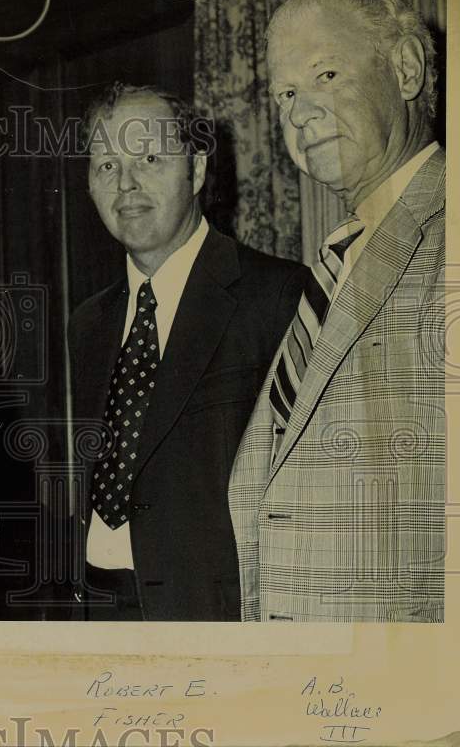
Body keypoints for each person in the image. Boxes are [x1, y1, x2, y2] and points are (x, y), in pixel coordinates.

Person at [228, 0, 445, 622]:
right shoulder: (338, 260)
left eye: (325, 74)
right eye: (287, 94)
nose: (297, 114)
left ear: (405, 69)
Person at [69, 84, 306, 620]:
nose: (126, 184)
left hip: (214, 614)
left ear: (196, 171)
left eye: (149, 159)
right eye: (106, 166)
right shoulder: (86, 324)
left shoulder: (279, 298)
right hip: (97, 613)